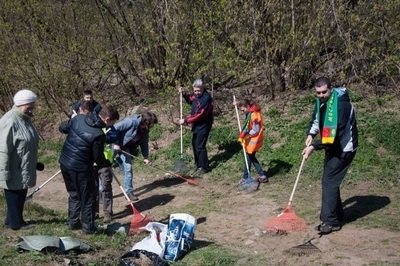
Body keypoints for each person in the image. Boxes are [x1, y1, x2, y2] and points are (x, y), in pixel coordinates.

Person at [302, 77, 358, 234]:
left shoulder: (342, 106)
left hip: (344, 147)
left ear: (331, 88)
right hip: (332, 147)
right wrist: (311, 134)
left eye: (324, 92)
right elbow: (316, 119)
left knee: (329, 180)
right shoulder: (322, 101)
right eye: (318, 93)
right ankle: (338, 214)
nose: (321, 95)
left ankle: (330, 221)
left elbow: (334, 137)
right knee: (330, 180)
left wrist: (313, 146)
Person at [59, 105, 120, 234]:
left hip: (64, 162)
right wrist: (107, 162)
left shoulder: (79, 119)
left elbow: (62, 127)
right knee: (89, 197)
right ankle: (88, 228)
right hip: (80, 168)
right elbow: (98, 158)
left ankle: (73, 222)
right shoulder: (98, 135)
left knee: (74, 193)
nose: (110, 126)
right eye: (112, 123)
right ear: (107, 119)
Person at [0, 89, 40, 230]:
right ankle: (16, 224)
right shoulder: (9, 121)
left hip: (23, 165)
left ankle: (11, 220)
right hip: (13, 167)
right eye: (29, 107)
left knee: (20, 193)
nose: (31, 110)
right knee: (14, 195)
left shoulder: (25, 119)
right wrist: (3, 172)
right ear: (20, 104)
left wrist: (35, 162)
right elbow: (3, 149)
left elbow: (27, 143)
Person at [113, 112, 158, 202]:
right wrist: (115, 143)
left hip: (125, 148)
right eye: (152, 124)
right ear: (146, 122)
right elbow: (113, 129)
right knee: (105, 169)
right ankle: (101, 191)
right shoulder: (130, 122)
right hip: (112, 145)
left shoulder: (145, 130)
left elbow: (144, 144)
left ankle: (129, 192)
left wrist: (146, 157)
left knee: (128, 168)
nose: (152, 126)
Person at [178, 79, 213, 176]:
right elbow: (190, 99)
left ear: (203, 89)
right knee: (194, 144)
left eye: (199, 91)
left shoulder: (206, 99)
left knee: (200, 146)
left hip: (204, 125)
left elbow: (199, 115)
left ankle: (205, 167)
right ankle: (198, 164)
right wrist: (184, 93)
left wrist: (185, 121)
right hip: (196, 124)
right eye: (195, 90)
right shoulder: (195, 95)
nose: (197, 93)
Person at [235, 99, 267, 186]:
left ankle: (246, 177)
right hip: (252, 140)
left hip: (254, 140)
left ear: (248, 107)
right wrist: (237, 104)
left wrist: (247, 134)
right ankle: (261, 175)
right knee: (251, 157)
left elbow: (256, 130)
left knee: (249, 157)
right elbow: (243, 105)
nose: (242, 112)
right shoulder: (250, 112)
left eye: (243, 110)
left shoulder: (254, 115)